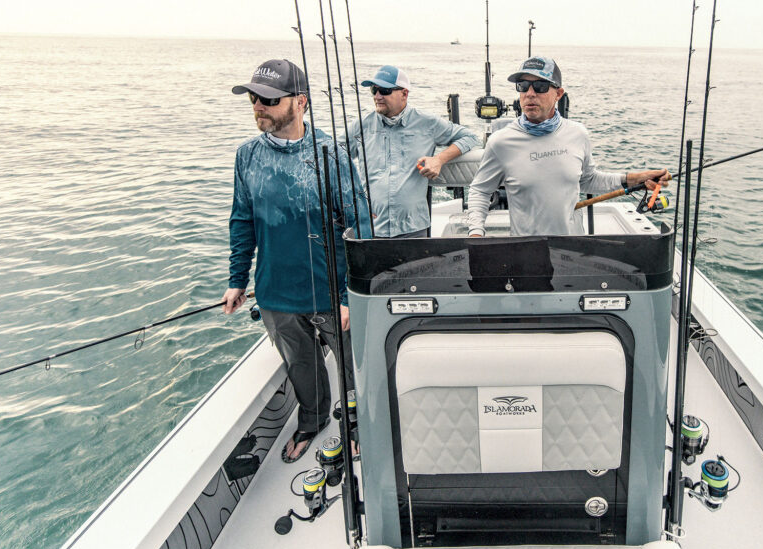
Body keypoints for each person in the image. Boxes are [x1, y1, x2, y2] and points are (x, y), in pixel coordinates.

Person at [221, 58, 371, 463]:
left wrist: (348, 294)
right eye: (253, 98)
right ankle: (313, 419)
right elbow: (242, 220)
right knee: (301, 367)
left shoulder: (331, 154)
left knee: (356, 369)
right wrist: (237, 279)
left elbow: (361, 224)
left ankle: (359, 425)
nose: (258, 106)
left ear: (300, 102)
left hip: (332, 296)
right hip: (276, 296)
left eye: (269, 98)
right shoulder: (246, 155)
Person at [466, 56, 670, 237]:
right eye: (523, 86)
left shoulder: (578, 133)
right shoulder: (501, 141)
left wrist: (634, 179)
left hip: (573, 248)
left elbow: (588, 180)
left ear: (559, 93)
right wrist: (476, 233)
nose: (530, 93)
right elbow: (480, 191)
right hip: (526, 251)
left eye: (540, 86)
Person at [346, 65, 479, 238]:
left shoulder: (427, 122)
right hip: (369, 228)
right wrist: (352, 200)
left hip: (413, 229)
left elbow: (470, 137)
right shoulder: (360, 125)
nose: (377, 96)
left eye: (384, 90)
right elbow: (334, 159)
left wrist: (439, 159)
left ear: (404, 94)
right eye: (374, 90)